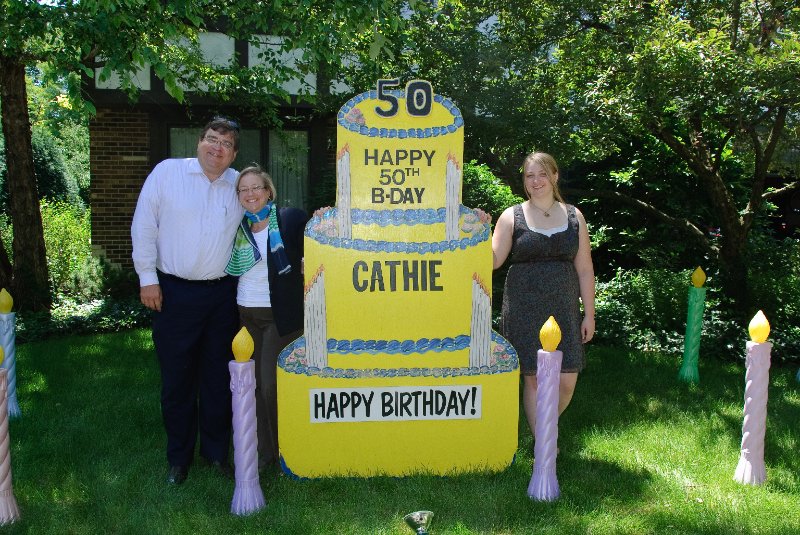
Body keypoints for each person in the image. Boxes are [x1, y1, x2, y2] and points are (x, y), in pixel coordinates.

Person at [131, 116, 244, 485]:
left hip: (222, 297)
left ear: (234, 154)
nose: (217, 147)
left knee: (217, 380)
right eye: (212, 139)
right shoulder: (167, 173)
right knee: (177, 381)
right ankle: (178, 460)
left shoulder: (238, 185)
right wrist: (148, 278)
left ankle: (215, 454)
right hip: (173, 293)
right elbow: (144, 225)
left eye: (226, 144)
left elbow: (266, 218)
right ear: (199, 142)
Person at [491, 151, 595, 444]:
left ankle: (546, 429)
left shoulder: (575, 216)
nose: (536, 181)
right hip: (524, 303)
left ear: (554, 176)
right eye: (529, 176)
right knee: (534, 377)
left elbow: (585, 269)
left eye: (542, 174)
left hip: (563, 305)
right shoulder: (512, 216)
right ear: (524, 181)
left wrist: (589, 314)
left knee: (566, 381)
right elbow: (494, 259)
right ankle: (545, 446)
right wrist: (473, 233)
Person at [225, 165, 306, 471]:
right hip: (245, 314)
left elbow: (321, 239)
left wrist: (307, 260)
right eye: (243, 190)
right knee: (252, 386)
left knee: (271, 386)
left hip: (280, 316)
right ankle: (265, 453)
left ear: (269, 191)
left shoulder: (289, 219)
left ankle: (288, 451)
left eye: (256, 187)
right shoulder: (237, 226)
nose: (250, 194)